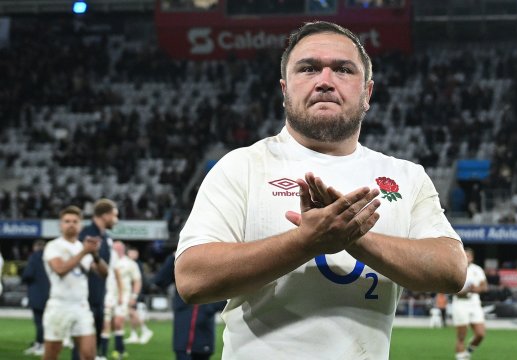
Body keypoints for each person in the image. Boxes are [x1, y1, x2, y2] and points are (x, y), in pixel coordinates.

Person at [175, 21, 467, 359]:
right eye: (309, 68)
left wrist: (353, 236)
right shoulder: (243, 166)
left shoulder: (405, 176)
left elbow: (451, 270)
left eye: (343, 70)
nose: (325, 81)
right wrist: (304, 242)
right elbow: (192, 279)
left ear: (367, 93)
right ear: (285, 90)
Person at [42, 205, 108, 360]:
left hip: (81, 305)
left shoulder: (81, 247)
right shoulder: (53, 246)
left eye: (75, 221)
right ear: (60, 225)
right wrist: (84, 252)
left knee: (89, 355)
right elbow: (59, 269)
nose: (71, 224)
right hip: (59, 305)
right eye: (67, 221)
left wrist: (96, 255)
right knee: (51, 355)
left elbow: (104, 273)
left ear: (80, 225)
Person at [154, 252, 226, 360]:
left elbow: (227, 292)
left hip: (204, 335)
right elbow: (159, 281)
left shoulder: (214, 264)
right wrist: (173, 258)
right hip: (182, 336)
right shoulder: (180, 266)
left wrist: (209, 307)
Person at [73, 198, 119, 360]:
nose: (116, 220)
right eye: (115, 216)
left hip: (99, 298)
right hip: (85, 299)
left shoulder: (105, 237)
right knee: (82, 349)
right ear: (105, 215)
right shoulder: (86, 235)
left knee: (93, 347)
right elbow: (82, 265)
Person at [451, 247, 487, 360]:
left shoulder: (478, 270)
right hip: (460, 303)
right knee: (461, 335)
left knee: (480, 334)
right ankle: (461, 357)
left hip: (474, 303)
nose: (467, 258)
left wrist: (476, 289)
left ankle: (468, 351)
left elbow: (484, 287)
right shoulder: (455, 269)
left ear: (472, 257)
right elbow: (452, 290)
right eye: (465, 255)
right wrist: (465, 291)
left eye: (469, 256)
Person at [21, 239, 51, 356]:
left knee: (39, 321)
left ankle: (40, 344)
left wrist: (23, 278)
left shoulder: (34, 257)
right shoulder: (51, 257)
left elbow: (28, 274)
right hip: (51, 293)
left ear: (35, 247)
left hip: (37, 294)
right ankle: (44, 343)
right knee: (47, 321)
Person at [124, 246, 154, 345]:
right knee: (131, 313)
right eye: (132, 252)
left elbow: (138, 281)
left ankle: (145, 330)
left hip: (135, 292)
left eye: (135, 253)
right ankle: (134, 335)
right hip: (130, 291)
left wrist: (135, 294)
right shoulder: (129, 264)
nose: (133, 254)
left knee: (132, 311)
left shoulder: (137, 265)